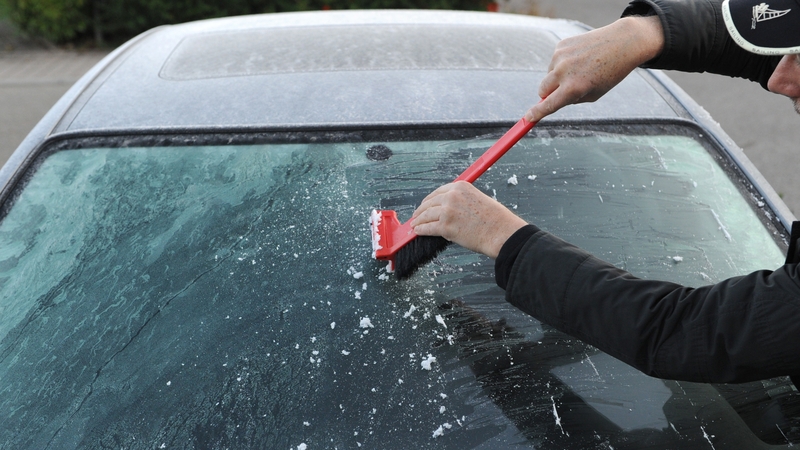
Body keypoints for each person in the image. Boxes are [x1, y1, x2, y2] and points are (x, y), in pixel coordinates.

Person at [410, 0, 800, 385]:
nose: (778, 80)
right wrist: (647, 32)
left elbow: (688, 333)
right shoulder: (784, 68)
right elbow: (762, 51)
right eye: (792, 52)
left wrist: (504, 239)